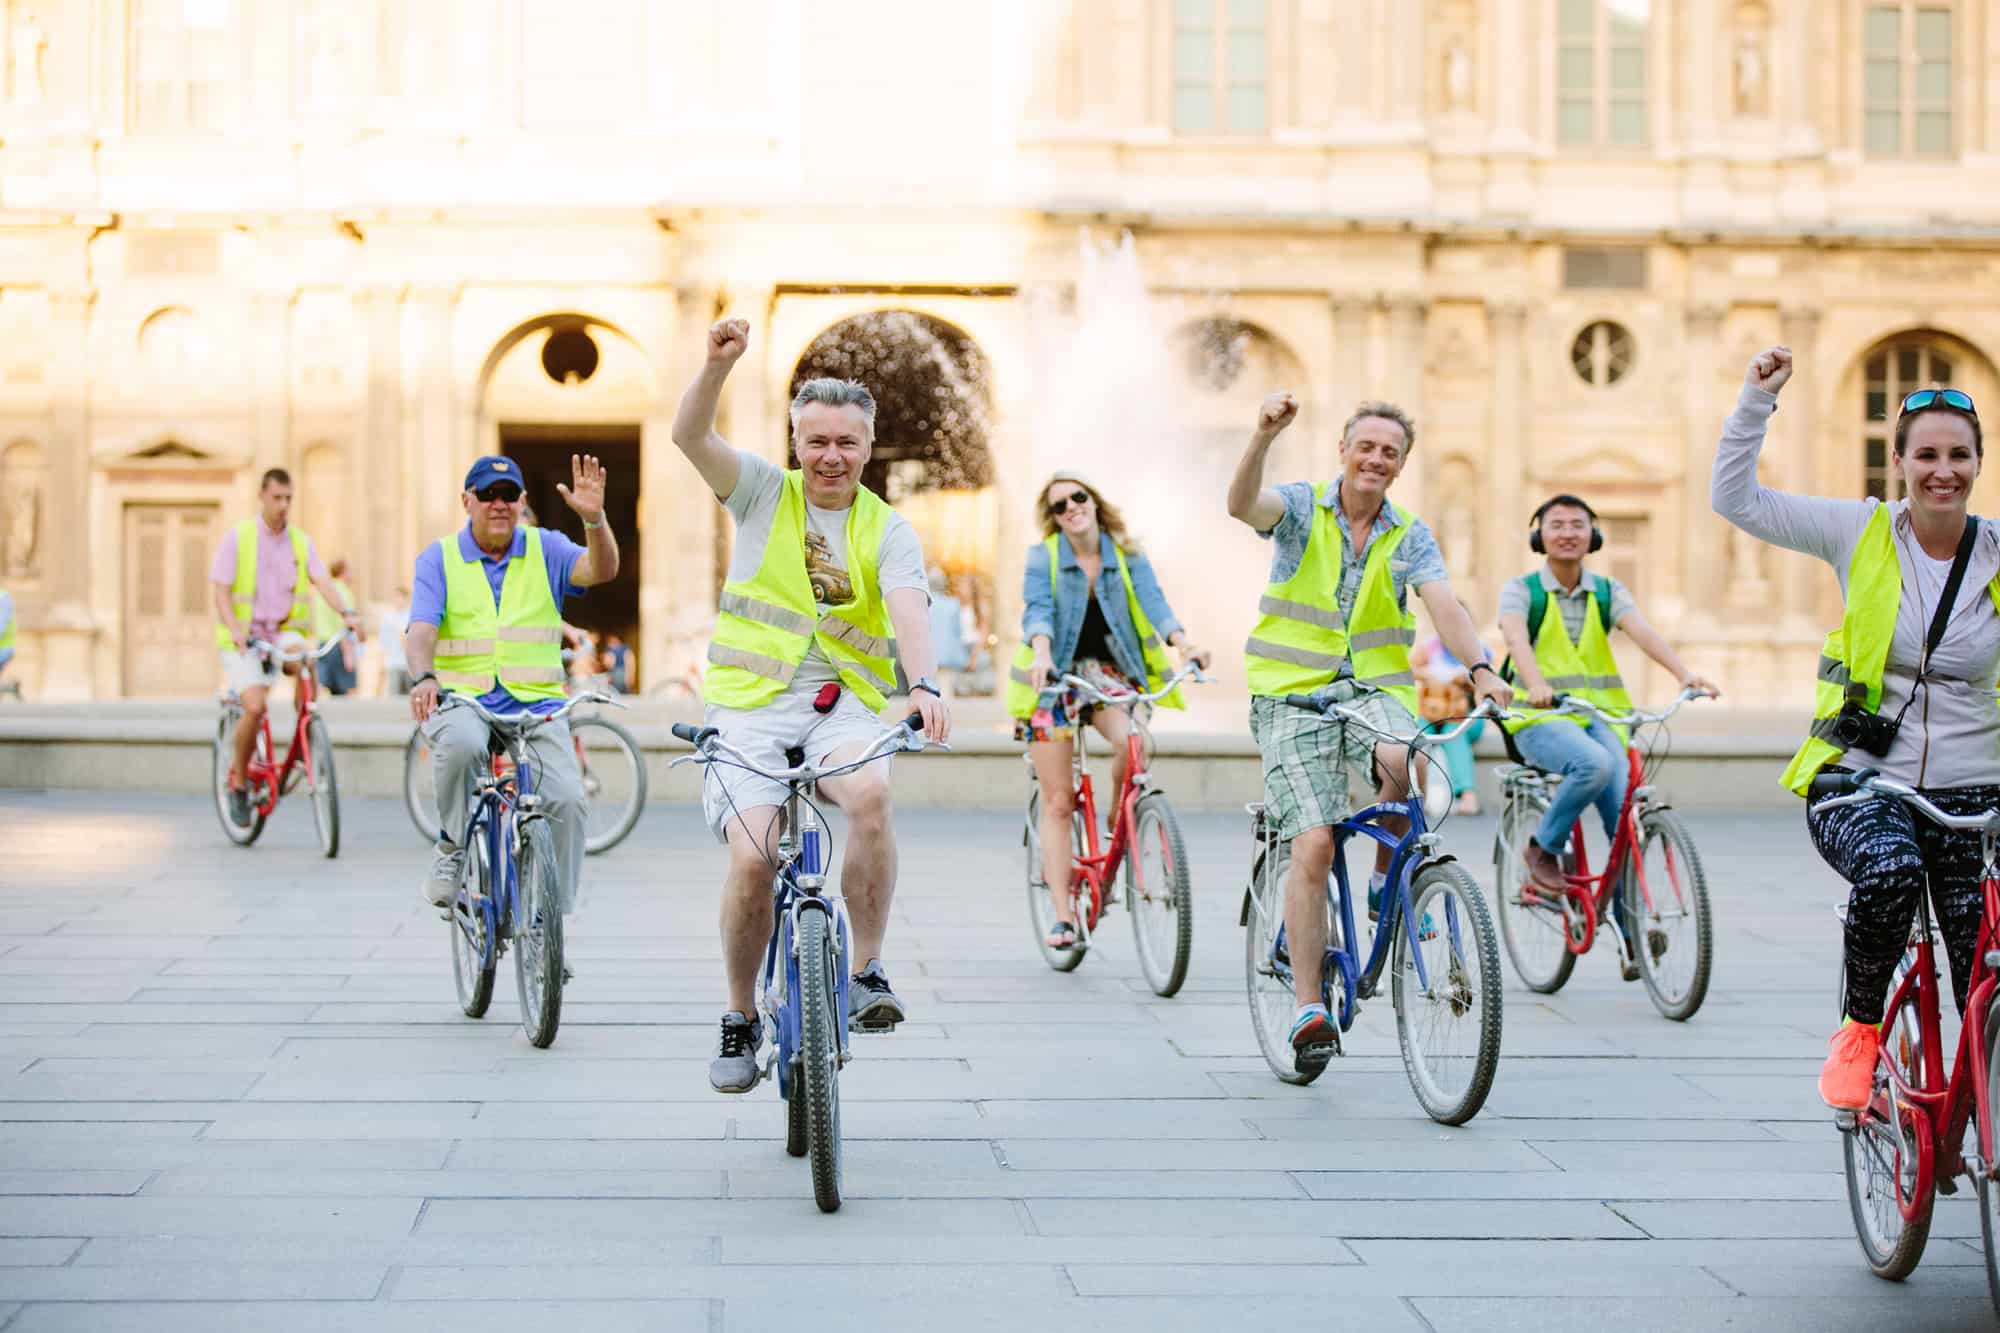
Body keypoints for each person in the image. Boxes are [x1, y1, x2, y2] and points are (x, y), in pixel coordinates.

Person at [1714, 345, 1998, 1112]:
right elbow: (1737, 500)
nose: (1945, 469)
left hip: (1975, 790)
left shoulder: (1997, 551)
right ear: (1898, 460)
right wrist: (1756, 402)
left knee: (1986, 967)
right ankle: (1862, 1030)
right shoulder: (1860, 531)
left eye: (1960, 455)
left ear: (1978, 462)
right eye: (1928, 454)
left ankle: (1969, 1109)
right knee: (1893, 875)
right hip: (1864, 780)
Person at [670, 316, 950, 1095]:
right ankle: (738, 1014)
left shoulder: (888, 529)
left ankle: (866, 971)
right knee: (755, 858)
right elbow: (690, 436)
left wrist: (922, 685)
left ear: (868, 447)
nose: (832, 456)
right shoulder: (761, 491)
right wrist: (716, 365)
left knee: (869, 797)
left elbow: (908, 608)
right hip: (750, 708)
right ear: (796, 442)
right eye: (817, 440)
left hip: (845, 708)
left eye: (848, 443)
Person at [1227, 393, 1511, 1077]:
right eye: (1367, 445)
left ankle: (1388, 882)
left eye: (1390, 451)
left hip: (1372, 692)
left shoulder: (1408, 532)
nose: (1376, 458)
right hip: (1292, 696)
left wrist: (1480, 670)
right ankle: (1306, 1007)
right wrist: (1262, 436)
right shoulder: (1300, 508)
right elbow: (1240, 505)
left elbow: (1443, 602)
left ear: (1401, 464)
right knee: (1317, 839)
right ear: (1344, 450)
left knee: (1408, 759)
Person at [1496, 495, 1720, 967]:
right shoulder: (1521, 591)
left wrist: (1683, 674)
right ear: (1540, 536)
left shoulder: (1607, 592)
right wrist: (1533, 683)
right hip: (1539, 718)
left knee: (1626, 822)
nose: (1568, 533)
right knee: (1591, 765)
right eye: (1556, 525)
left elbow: (1642, 631)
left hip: (1601, 717)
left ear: (1593, 536)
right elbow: (1515, 637)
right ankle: (1543, 850)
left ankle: (1629, 925)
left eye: (1578, 525)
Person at [404, 454, 620, 930]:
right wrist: (424, 676)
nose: (498, 504)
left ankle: (548, 924)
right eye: (487, 495)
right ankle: (452, 847)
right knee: (459, 745)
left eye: (509, 496)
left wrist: (594, 520)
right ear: (467, 501)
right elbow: (420, 629)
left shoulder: (545, 548)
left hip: (538, 703)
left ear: (523, 502)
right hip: (466, 700)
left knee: (566, 798)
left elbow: (600, 569)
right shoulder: (439, 558)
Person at [1008, 472, 1209, 950]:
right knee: (1058, 801)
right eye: (1059, 505)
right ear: (1053, 519)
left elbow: (1155, 604)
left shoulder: (1126, 554)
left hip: (1105, 673)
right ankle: (1062, 918)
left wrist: (1185, 645)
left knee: (1131, 741)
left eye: (1078, 497)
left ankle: (1122, 821)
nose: (1072, 507)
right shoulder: (1044, 558)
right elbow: (1036, 609)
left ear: (1094, 502)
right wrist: (1040, 651)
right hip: (1054, 677)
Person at [208, 468, 360, 827]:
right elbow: (220, 591)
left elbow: (323, 580)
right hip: (243, 638)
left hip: (281, 635)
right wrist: (235, 630)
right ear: (262, 496)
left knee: (306, 662)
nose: (283, 505)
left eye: (289, 498)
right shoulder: (239, 538)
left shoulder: (299, 542)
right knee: (255, 706)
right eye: (277, 498)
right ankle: (239, 782)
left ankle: (307, 731)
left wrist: (348, 614)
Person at [1411, 610, 1486, 816]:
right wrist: (1433, 676)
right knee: (1417, 732)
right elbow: (1408, 669)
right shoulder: (1429, 648)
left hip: (1465, 716)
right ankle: (1415, 796)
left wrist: (1466, 681)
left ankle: (1468, 795)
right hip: (1432, 712)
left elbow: (1487, 693)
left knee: (1455, 732)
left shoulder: (1479, 651)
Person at [312, 557, 360, 696]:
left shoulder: (322, 593)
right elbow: (345, 625)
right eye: (350, 570)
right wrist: (348, 654)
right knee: (347, 692)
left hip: (322, 644)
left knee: (323, 689)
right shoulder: (343, 593)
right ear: (343, 572)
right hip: (338, 646)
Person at [928, 566, 969, 695]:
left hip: (928, 653)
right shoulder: (953, 604)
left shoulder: (923, 604)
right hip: (948, 653)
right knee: (946, 690)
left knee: (930, 689)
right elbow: (958, 632)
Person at [379, 586, 412, 695]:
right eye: (395, 597)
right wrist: (382, 664)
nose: (397, 600)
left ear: (406, 598)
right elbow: (384, 644)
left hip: (409, 665)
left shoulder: (411, 617)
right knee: (395, 697)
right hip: (394, 663)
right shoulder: (388, 619)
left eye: (400, 597)